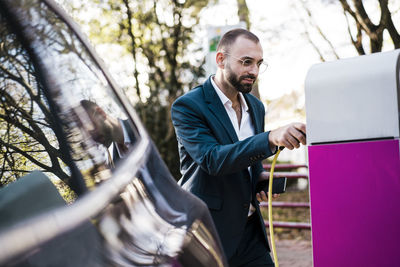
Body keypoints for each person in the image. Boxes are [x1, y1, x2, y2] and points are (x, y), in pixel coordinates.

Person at [171, 28, 306, 266]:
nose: (253, 71)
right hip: (208, 235)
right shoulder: (187, 106)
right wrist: (270, 138)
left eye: (258, 63)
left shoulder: (256, 106)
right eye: (246, 62)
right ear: (221, 59)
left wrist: (258, 176)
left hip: (250, 233)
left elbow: (247, 159)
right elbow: (213, 159)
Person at [80, 100, 135, 166]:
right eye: (85, 134)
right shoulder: (116, 165)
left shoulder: (141, 124)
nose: (92, 136)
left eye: (89, 125)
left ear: (100, 112)